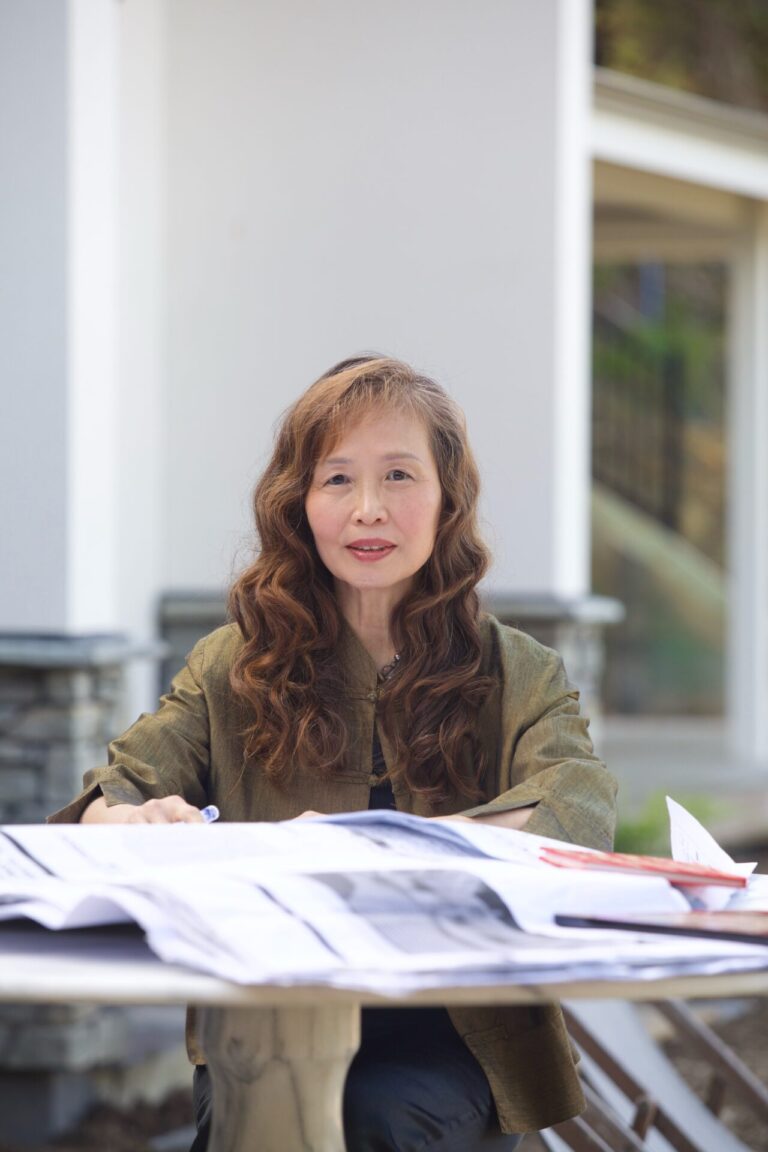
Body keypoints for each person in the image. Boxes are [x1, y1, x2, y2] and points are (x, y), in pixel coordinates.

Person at [50, 355, 617, 1151]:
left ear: (448, 497)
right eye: (338, 479)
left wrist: (387, 847)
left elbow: (579, 806)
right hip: (266, 1028)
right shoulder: (232, 664)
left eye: (399, 476)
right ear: (300, 502)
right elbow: (107, 798)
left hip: (452, 1037)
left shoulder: (517, 668)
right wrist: (132, 821)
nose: (369, 510)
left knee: (369, 1119)